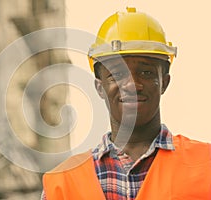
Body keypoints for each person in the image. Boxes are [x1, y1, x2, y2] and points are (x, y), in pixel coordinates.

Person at [41, 7, 211, 200]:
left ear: (165, 82)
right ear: (100, 87)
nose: (132, 84)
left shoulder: (207, 164)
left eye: (146, 72)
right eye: (117, 74)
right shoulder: (62, 183)